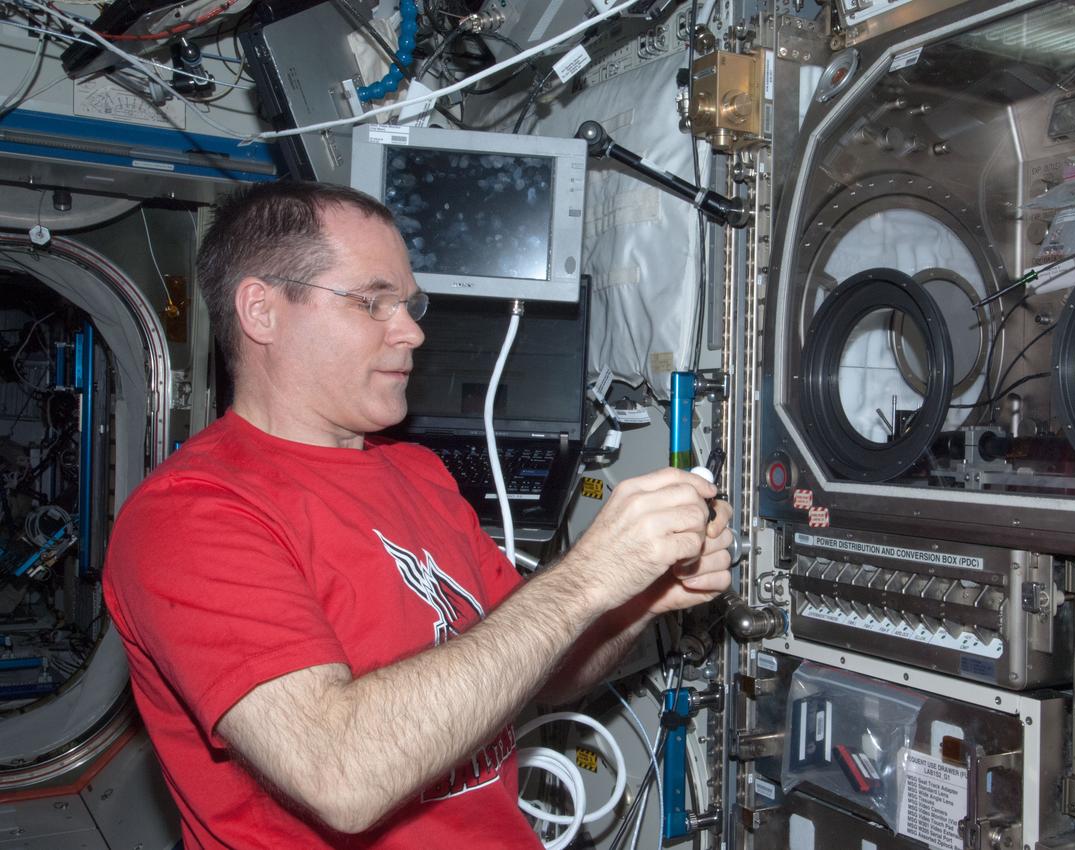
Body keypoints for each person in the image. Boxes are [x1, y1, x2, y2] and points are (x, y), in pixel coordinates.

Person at [103, 181, 732, 849]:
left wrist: (641, 595)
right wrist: (587, 578)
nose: (412, 330)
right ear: (262, 311)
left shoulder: (416, 473)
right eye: (374, 302)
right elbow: (339, 774)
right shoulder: (190, 516)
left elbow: (548, 670)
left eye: (410, 303)